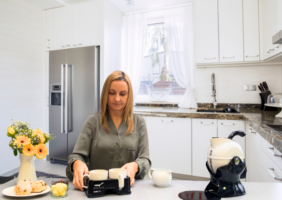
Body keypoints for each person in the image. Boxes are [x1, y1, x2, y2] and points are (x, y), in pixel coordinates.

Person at [66, 70, 151, 191]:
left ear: (129, 96)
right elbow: (76, 155)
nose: (117, 98)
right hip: (98, 189)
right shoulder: (92, 121)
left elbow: (145, 160)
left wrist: (136, 165)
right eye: (112, 93)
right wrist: (76, 163)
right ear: (106, 94)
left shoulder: (139, 122)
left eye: (122, 94)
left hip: (130, 190)